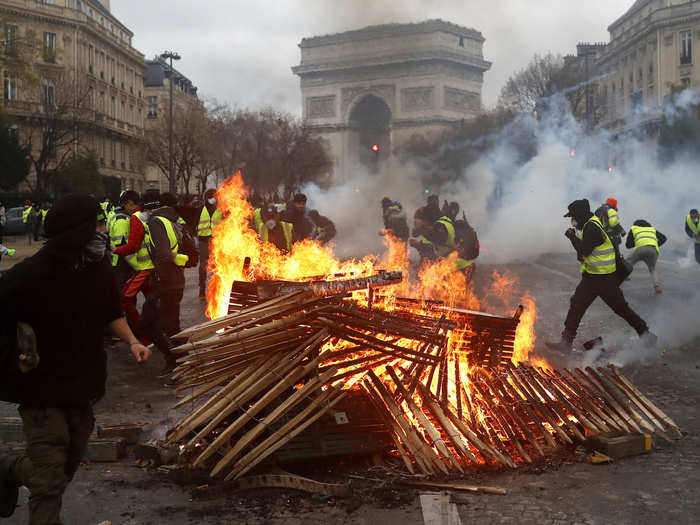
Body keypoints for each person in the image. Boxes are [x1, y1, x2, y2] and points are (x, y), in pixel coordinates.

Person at [0, 194, 151, 523]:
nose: (103, 231)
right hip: (41, 389)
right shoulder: (32, 274)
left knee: (66, 463)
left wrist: (132, 342)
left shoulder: (95, 269)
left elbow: (110, 310)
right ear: (77, 230)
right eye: (97, 225)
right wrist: (15, 357)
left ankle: (8, 470)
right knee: (50, 481)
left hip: (83, 383)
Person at [545, 199, 656, 353]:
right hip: (592, 278)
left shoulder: (591, 227)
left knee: (621, 309)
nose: (573, 221)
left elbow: (585, 250)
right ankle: (566, 342)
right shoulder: (590, 223)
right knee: (576, 305)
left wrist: (571, 237)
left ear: (580, 215)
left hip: (605, 280)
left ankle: (646, 335)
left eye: (574, 217)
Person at [140, 192, 191, 375]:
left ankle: (179, 363)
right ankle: (178, 360)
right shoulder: (171, 219)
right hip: (174, 280)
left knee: (161, 324)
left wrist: (159, 276)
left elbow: (162, 254)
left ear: (147, 207)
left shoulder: (156, 222)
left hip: (166, 283)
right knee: (162, 323)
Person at [113, 190, 155, 338]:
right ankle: (157, 330)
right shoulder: (148, 215)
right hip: (152, 267)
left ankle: (142, 332)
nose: (124, 209)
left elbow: (133, 246)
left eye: (125, 205)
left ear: (130, 203)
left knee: (125, 299)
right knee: (153, 301)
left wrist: (116, 249)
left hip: (144, 268)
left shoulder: (136, 217)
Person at [625, 219, 667, 294]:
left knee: (627, 264)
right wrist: (656, 244)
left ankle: (619, 285)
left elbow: (628, 245)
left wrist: (638, 242)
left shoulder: (634, 228)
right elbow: (664, 238)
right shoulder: (652, 229)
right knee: (652, 269)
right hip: (653, 250)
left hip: (640, 250)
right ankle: (657, 287)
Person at [107, 191, 136, 291]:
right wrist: (137, 266)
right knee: (125, 296)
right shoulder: (122, 220)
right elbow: (122, 246)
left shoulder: (114, 214)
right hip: (122, 265)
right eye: (131, 205)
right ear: (124, 204)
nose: (134, 208)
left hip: (115, 262)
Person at [196, 188, 223, 297]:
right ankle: (202, 288)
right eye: (210, 197)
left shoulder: (221, 210)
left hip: (216, 240)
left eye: (214, 197)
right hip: (203, 240)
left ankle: (214, 288)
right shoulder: (200, 209)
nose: (212, 199)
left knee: (215, 265)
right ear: (206, 198)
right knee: (203, 266)